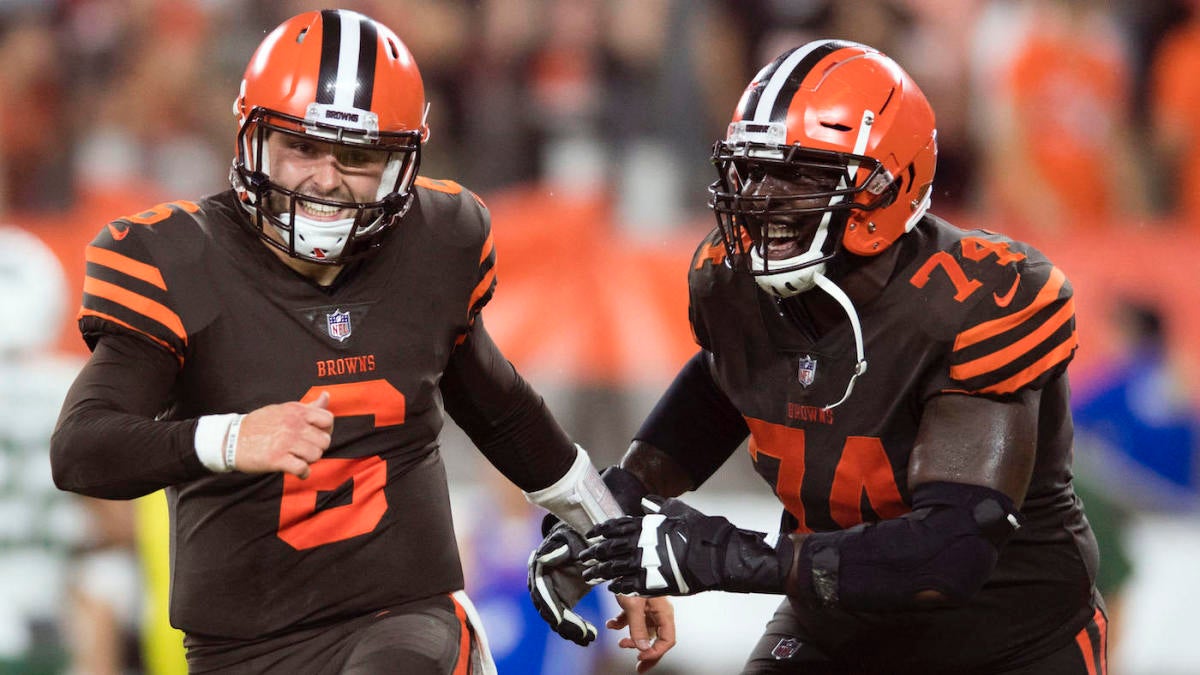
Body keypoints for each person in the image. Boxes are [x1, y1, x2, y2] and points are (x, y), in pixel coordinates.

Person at [49, 9, 673, 673]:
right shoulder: (178, 261)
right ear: (251, 139)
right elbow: (82, 449)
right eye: (303, 146)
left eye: (356, 155)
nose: (326, 177)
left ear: (397, 163)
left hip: (404, 622)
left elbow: (502, 409)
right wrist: (229, 438)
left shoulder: (438, 242)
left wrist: (617, 545)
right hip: (241, 650)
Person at [529, 40, 1107, 674]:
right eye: (753, 170)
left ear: (885, 185)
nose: (762, 198)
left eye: (800, 175)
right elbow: (727, 381)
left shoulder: (976, 299)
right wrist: (618, 505)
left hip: (1005, 640)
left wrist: (725, 555)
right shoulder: (733, 283)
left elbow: (950, 553)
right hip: (837, 622)